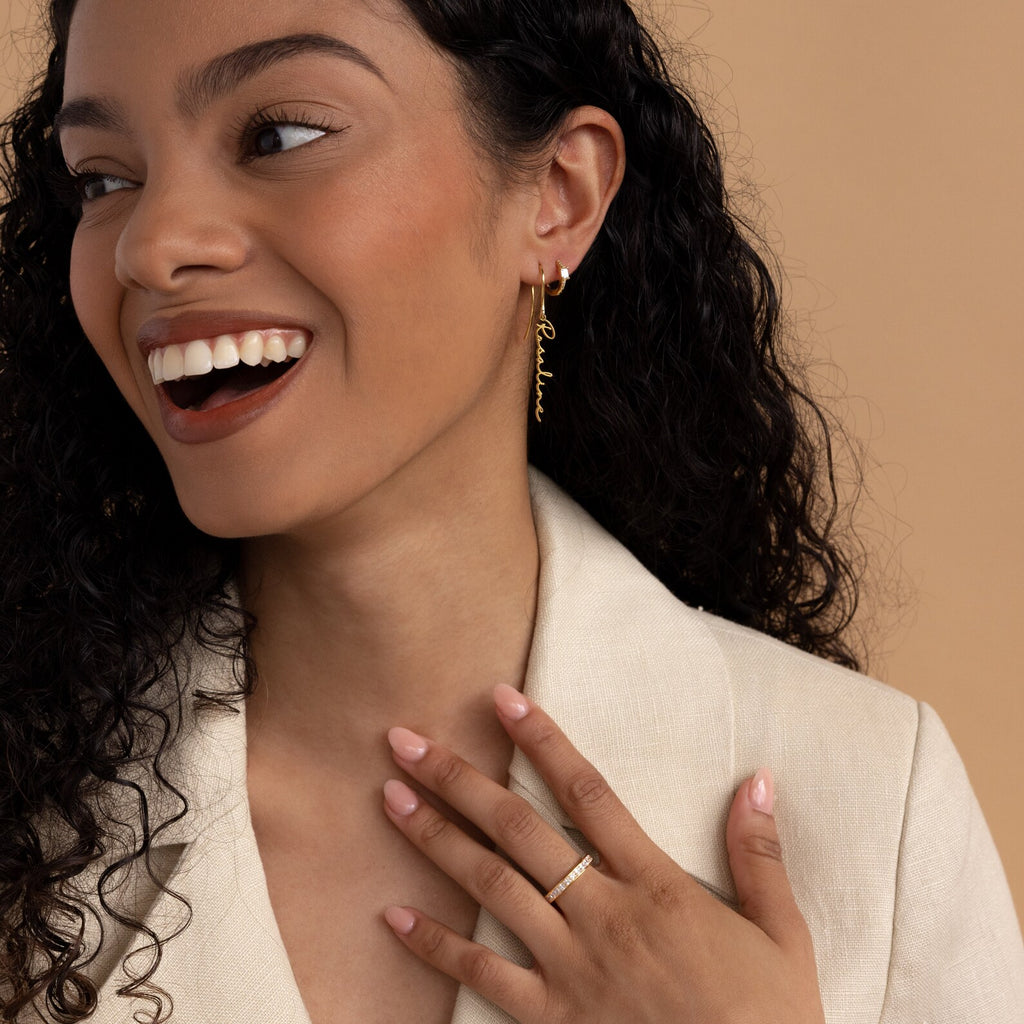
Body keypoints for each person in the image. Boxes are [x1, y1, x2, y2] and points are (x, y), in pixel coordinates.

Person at [1, 0, 1021, 1021]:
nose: (153, 244)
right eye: (103, 178)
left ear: (558, 193)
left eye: (281, 136)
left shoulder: (870, 799)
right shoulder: (24, 821)